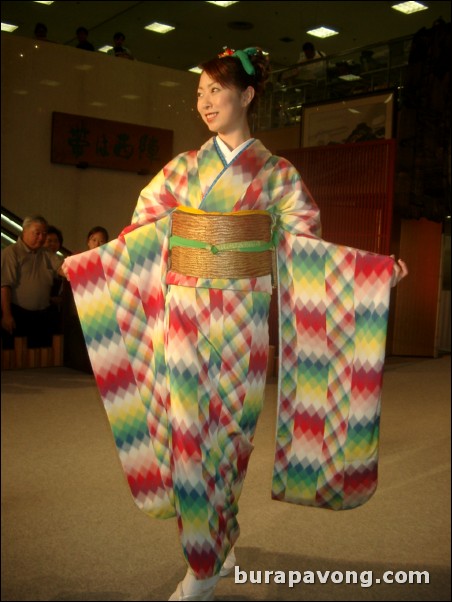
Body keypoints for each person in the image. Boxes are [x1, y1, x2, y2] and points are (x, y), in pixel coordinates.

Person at [62, 47, 407, 601]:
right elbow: (140, 235)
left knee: (231, 440)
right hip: (185, 319)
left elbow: (307, 247)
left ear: (247, 95)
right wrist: (91, 264)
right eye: (199, 94)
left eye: (215, 92)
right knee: (189, 439)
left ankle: (220, 543)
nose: (204, 103)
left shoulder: (276, 174)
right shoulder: (180, 169)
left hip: (245, 325)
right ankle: (202, 564)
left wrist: (371, 273)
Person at [1, 215, 64, 350]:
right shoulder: (11, 253)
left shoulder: (46, 253)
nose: (41, 238)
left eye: (44, 234)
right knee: (17, 355)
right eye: (37, 233)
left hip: (42, 314)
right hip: (19, 313)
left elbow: (62, 269)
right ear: (25, 231)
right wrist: (6, 314)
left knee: (41, 353)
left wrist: (80, 266)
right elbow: (5, 285)